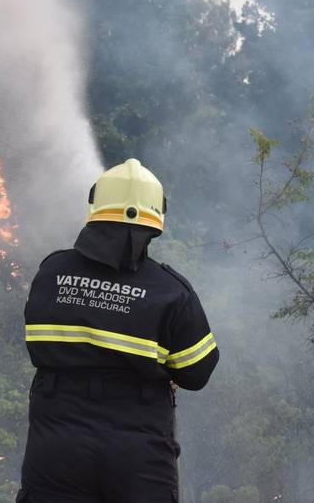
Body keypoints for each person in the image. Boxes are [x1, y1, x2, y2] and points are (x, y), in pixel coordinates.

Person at [16, 158, 219, 503]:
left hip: (55, 448)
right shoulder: (170, 292)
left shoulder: (52, 271)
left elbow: (37, 339)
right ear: (156, 219)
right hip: (137, 457)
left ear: (96, 207)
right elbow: (197, 372)